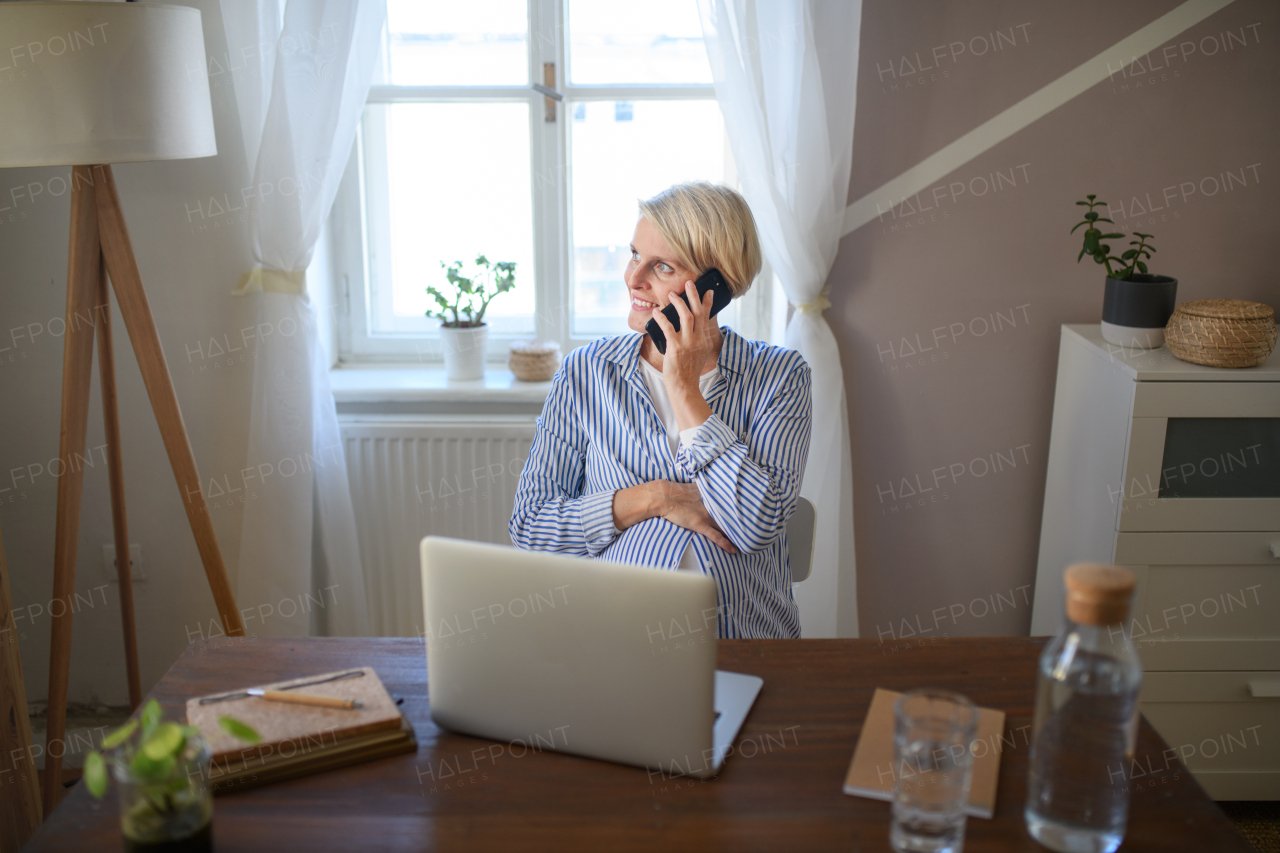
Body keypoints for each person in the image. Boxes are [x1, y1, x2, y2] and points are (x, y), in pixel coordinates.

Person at [508, 181, 812, 638]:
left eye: (662, 266)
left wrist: (684, 388)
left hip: (746, 642)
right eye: (634, 255)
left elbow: (755, 523)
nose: (633, 279)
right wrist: (655, 498)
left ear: (717, 287)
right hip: (615, 646)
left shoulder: (780, 376)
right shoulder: (586, 372)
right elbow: (531, 526)